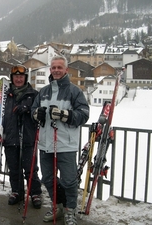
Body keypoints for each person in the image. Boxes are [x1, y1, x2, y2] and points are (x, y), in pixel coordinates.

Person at [31, 55, 89, 224]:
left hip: (66, 144)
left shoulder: (74, 91)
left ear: (66, 70)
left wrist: (66, 115)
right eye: (53, 67)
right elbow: (34, 111)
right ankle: (59, 206)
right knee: (48, 178)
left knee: (69, 180)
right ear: (50, 70)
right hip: (46, 143)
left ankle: (71, 210)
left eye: (59, 67)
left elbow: (84, 114)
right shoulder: (43, 91)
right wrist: (36, 114)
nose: (56, 70)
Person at [0, 65, 42, 209]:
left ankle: (35, 193)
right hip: (10, 137)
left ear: (25, 78)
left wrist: (28, 110)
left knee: (30, 168)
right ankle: (17, 191)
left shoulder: (34, 95)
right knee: (14, 168)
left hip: (28, 138)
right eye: (16, 77)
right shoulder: (4, 95)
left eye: (21, 77)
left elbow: (40, 113)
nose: (18, 79)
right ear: (12, 78)